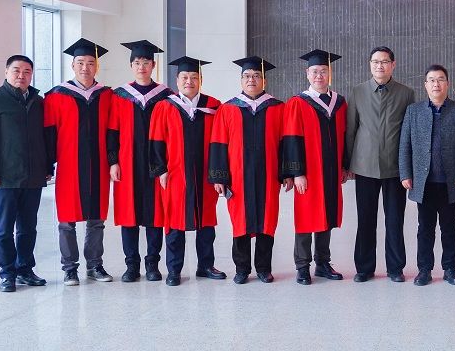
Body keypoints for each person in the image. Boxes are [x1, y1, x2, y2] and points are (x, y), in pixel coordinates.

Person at [209, 56, 288, 284]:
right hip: (237, 176)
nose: (251, 79)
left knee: (267, 222)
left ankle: (263, 268)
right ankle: (242, 269)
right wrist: (219, 177)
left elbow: (285, 144)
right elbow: (218, 144)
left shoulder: (277, 107)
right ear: (241, 80)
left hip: (268, 175)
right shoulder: (228, 109)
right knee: (240, 222)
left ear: (264, 80)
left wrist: (286, 173)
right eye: (246, 76)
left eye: (256, 76)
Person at [149, 55, 226, 286]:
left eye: (194, 77)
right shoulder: (165, 106)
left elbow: (221, 142)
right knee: (174, 222)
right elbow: (156, 140)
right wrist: (160, 170)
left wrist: (219, 174)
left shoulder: (214, 106)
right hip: (175, 174)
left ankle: (206, 266)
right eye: (184, 77)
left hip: (205, 175)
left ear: (200, 79)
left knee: (207, 222)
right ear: (177, 80)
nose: (189, 81)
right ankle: (174, 270)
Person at [0, 54, 51, 292]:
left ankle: (25, 269)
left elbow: (45, 138)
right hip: (5, 177)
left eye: (27, 71)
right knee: (4, 229)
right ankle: (7, 273)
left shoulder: (38, 101)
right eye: (16, 70)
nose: (22, 75)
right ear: (6, 72)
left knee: (28, 228)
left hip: (33, 176)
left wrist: (47, 166)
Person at [44, 38, 114, 285]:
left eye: (91, 63)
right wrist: (48, 165)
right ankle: (69, 268)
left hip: (98, 166)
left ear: (97, 67)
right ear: (72, 65)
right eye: (81, 62)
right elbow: (48, 134)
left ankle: (95, 265)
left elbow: (112, 132)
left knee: (97, 220)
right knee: (67, 221)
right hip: (69, 166)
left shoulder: (107, 95)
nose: (85, 67)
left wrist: (113, 161)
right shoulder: (56, 96)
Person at [344, 46, 416, 283]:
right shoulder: (358, 91)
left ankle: (395, 268)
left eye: (384, 62)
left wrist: (408, 167)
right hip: (364, 166)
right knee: (366, 219)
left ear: (393, 65)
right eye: (375, 61)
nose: (379, 66)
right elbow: (351, 129)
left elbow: (409, 133)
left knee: (395, 220)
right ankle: (364, 268)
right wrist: (348, 163)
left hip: (395, 167)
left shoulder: (406, 93)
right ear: (370, 64)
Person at [398, 64, 455, 286]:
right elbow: (404, 145)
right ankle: (424, 269)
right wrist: (405, 173)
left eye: (440, 79)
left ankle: (450, 269)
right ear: (425, 85)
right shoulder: (413, 111)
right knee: (425, 227)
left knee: (450, 227)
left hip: (450, 181)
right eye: (431, 80)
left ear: (447, 84)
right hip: (424, 182)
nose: (436, 84)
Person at [282, 49, 349, 285]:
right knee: (306, 217)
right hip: (309, 173)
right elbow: (291, 139)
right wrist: (297, 172)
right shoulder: (298, 103)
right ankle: (302, 266)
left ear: (330, 73)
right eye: (315, 72)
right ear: (307, 74)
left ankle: (322, 263)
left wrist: (344, 166)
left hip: (331, 171)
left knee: (326, 215)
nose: (319, 75)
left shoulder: (339, 103)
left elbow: (345, 136)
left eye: (323, 71)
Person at [107, 39, 171, 282]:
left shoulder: (166, 96)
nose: (141, 67)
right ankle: (131, 265)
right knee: (129, 214)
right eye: (137, 63)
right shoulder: (119, 96)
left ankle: (152, 264)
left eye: (145, 62)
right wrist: (113, 161)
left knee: (156, 215)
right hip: (127, 163)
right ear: (131, 66)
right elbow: (112, 131)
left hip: (156, 163)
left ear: (153, 65)